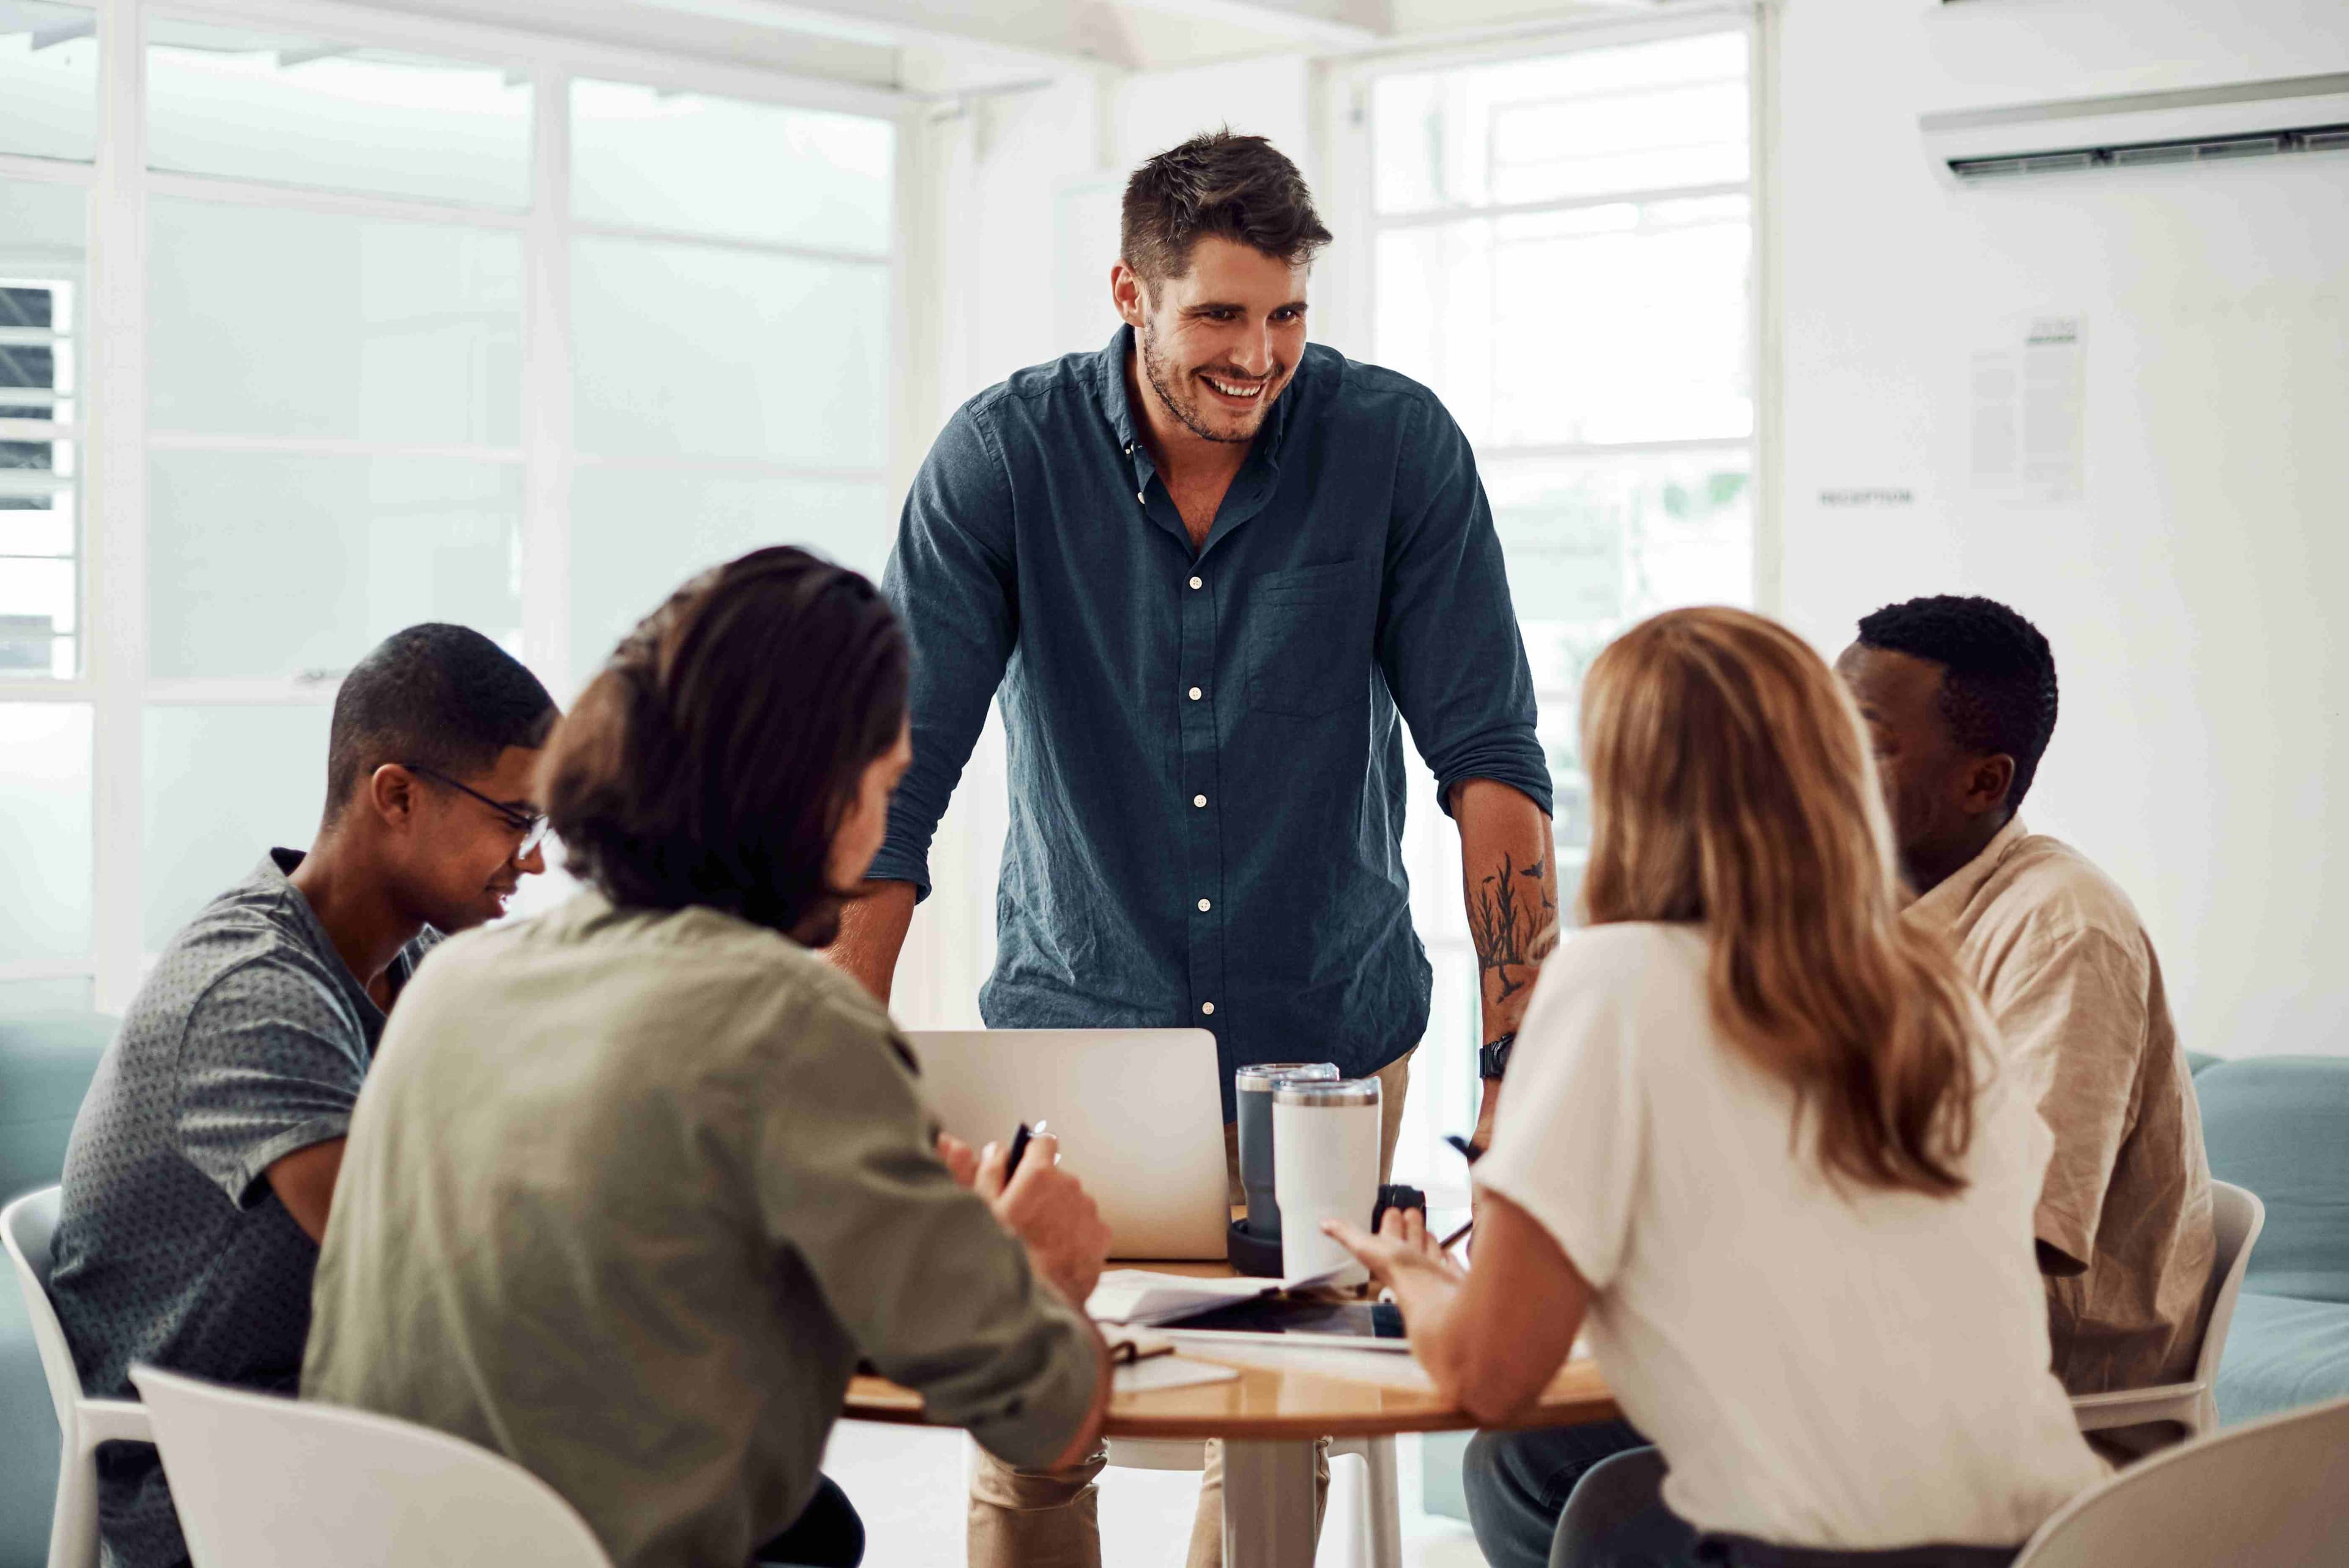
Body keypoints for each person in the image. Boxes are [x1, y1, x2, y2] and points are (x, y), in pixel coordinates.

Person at [828, 129, 1555, 1568]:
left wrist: (1518, 1061)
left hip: (1334, 1032)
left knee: (1283, 1429)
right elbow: (895, 787)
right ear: (1130, 292)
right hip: (1081, 1039)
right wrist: (827, 1068)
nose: (1259, 355)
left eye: (1287, 314)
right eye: (1220, 315)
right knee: (1036, 1419)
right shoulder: (1005, 458)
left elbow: (1490, 766)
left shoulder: (1395, 445)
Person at [303, 547, 1115, 1568]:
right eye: (884, 790)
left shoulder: (451, 988)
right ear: (818, 793)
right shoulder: (792, 1023)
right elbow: (1044, 1419)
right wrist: (1046, 1275)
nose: (880, 839)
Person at [1334, 606, 2108, 1568]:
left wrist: (1416, 1280)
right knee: (1605, 1500)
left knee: (1590, 1502)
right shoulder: (1926, 990)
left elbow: (1492, 1376)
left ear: (1628, 791)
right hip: (2061, 1535)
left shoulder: (1614, 981)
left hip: (1824, 1551)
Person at [49, 624, 558, 1568]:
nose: (533, 861)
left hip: (351, 1414)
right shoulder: (256, 986)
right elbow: (408, 1251)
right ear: (397, 796)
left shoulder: (412, 958)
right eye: (517, 819)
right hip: (225, 1474)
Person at [1838, 594, 2215, 1447]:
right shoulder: (1866, 914)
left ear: (1984, 781)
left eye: (1861, 740)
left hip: (2034, 1417)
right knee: (1533, 1456)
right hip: (1885, 1367)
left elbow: (2010, 1237)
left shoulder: (2065, 929)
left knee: (1619, 1502)